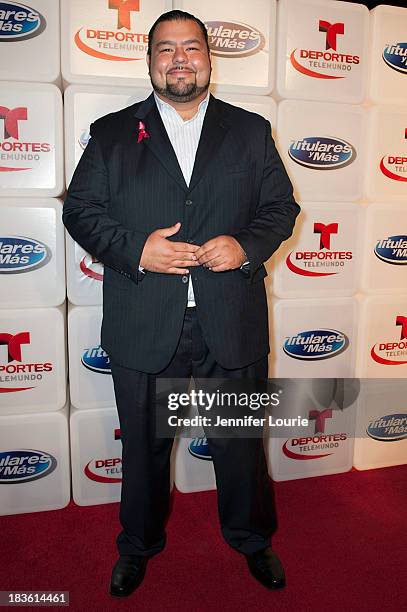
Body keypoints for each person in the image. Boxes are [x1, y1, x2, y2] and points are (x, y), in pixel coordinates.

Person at [63, 9, 300, 598]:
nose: (179, 59)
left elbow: (281, 210)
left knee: (239, 445)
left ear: (208, 58)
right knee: (143, 449)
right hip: (145, 319)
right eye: (165, 49)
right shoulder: (114, 132)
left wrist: (243, 246)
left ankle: (251, 538)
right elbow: (81, 211)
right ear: (149, 62)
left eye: (190, 47)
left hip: (230, 319)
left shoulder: (249, 130)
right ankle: (137, 546)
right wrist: (137, 249)